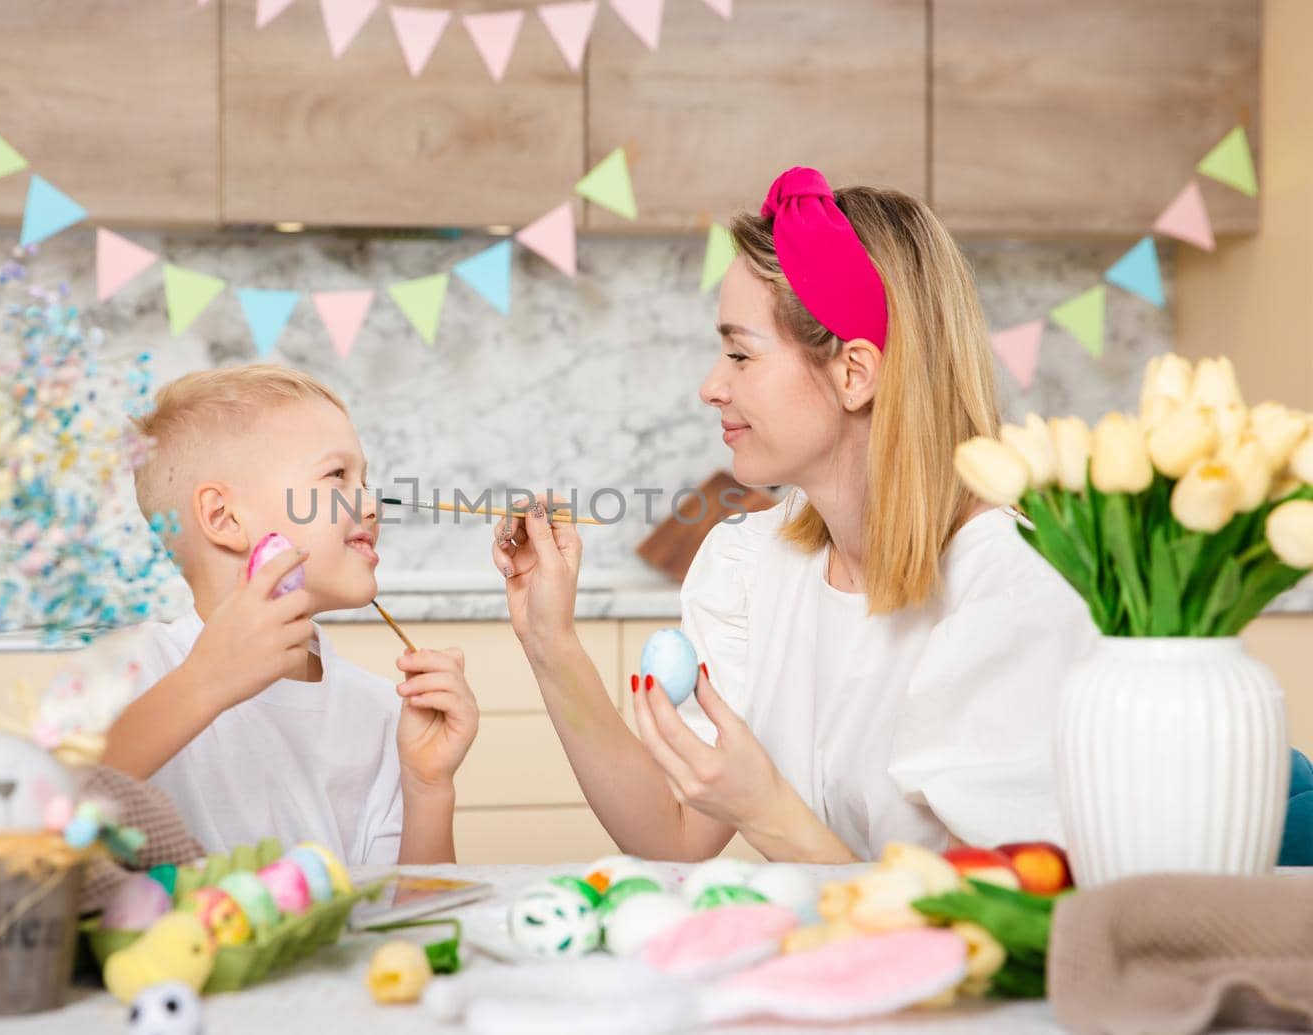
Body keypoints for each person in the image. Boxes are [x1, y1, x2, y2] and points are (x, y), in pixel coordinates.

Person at [492, 167, 1098, 862]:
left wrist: (768, 808)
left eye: (741, 354)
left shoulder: (1013, 591)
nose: (711, 386)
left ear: (853, 373)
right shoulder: (753, 566)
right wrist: (550, 641)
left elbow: (971, 932)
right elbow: (673, 832)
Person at [104, 365, 478, 864]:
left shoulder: (384, 713)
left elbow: (419, 926)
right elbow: (45, 818)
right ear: (224, 518)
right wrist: (205, 682)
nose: (371, 504)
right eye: (337, 475)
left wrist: (429, 788)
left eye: (365, 479)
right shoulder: (136, 670)